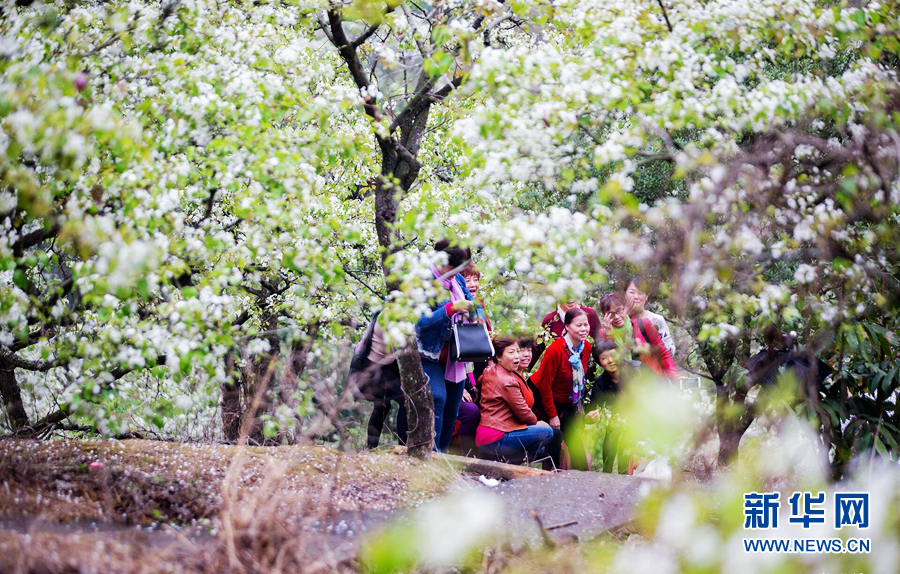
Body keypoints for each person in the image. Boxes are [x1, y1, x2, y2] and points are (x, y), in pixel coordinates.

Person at [416, 240, 479, 452]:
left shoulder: (458, 280)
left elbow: (478, 309)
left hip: (456, 354)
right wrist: (451, 309)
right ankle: (431, 455)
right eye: (453, 269)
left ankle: (442, 461)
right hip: (429, 352)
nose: (455, 274)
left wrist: (473, 312)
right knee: (438, 399)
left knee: (452, 411)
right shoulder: (423, 281)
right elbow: (420, 323)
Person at [476, 337, 561, 465]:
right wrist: (537, 423)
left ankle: (504, 462)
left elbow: (481, 380)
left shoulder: (490, 371)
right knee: (548, 432)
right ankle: (504, 462)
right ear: (499, 357)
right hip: (497, 438)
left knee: (542, 445)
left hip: (485, 437)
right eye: (511, 352)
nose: (517, 356)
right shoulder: (508, 381)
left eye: (517, 351)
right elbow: (524, 414)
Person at [530, 308, 593, 470]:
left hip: (567, 399)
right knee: (554, 442)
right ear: (567, 327)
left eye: (586, 325)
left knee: (575, 441)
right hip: (543, 397)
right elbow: (545, 385)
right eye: (579, 325)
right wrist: (552, 415)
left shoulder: (586, 347)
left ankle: (583, 481)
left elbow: (580, 377)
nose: (584, 329)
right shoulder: (555, 350)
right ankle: (550, 478)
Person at [586, 340, 650, 473]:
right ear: (599, 363)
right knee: (610, 446)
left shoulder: (640, 370)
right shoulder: (601, 383)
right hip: (616, 427)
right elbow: (590, 411)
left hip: (643, 424)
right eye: (604, 358)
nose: (610, 361)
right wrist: (589, 418)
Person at [598, 292, 678, 380]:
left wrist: (675, 378)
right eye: (610, 314)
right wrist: (610, 336)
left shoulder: (644, 325)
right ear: (604, 316)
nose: (616, 316)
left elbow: (663, 353)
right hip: (627, 388)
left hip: (653, 383)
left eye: (619, 310)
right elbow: (611, 364)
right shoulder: (604, 335)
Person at [364, 320, 407, 449]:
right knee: (404, 402)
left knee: (382, 405)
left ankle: (370, 447)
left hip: (384, 363)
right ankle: (403, 446)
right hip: (376, 364)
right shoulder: (387, 315)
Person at [531, 299, 601, 369]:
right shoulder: (550, 320)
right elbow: (535, 352)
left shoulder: (590, 314)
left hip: (588, 376)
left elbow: (602, 347)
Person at [624, 276, 675, 358]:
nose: (636, 297)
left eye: (640, 293)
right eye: (632, 292)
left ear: (646, 296)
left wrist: (656, 339)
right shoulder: (618, 320)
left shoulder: (657, 320)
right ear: (625, 294)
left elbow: (671, 351)